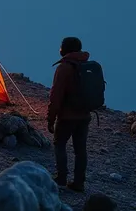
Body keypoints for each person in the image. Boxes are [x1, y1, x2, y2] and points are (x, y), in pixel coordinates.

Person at [47, 36, 92, 192]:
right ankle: (79, 182)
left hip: (67, 116)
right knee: (81, 150)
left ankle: (61, 178)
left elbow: (56, 96)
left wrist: (50, 118)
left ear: (65, 49)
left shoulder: (64, 68)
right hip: (85, 115)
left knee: (59, 145)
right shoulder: (86, 65)